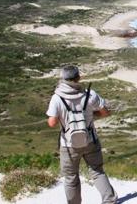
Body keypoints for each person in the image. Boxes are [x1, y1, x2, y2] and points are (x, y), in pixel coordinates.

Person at [46, 65, 117, 204]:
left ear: (63, 79)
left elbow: (52, 122)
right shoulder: (90, 94)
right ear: (78, 77)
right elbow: (105, 112)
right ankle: (109, 200)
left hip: (68, 144)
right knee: (97, 171)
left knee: (71, 177)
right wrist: (90, 115)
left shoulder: (57, 98)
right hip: (90, 140)